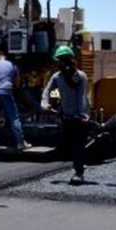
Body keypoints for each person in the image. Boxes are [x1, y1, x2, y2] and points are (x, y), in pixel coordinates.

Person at [41, 46, 90, 185]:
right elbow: (48, 91)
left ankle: (78, 172)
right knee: (67, 145)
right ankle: (78, 164)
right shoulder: (57, 77)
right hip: (66, 116)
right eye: (58, 62)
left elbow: (82, 97)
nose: (59, 64)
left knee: (78, 145)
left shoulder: (80, 76)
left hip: (79, 117)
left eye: (62, 61)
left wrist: (82, 114)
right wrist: (47, 104)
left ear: (69, 61)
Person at [0, 45, 28, 151]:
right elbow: (17, 83)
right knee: (14, 117)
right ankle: (20, 143)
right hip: (7, 91)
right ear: (5, 55)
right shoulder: (12, 65)